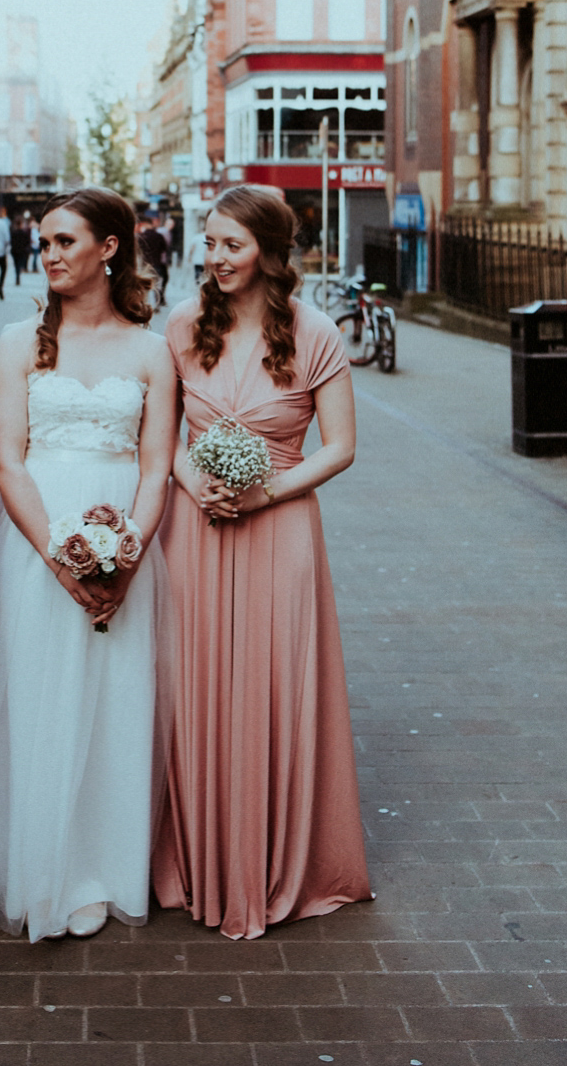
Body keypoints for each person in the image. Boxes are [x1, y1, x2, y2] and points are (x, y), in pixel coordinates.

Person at [152, 184, 370, 940]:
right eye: (209, 243)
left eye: (231, 245)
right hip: (197, 524)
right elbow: (162, 439)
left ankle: (275, 857)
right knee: (194, 683)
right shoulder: (182, 326)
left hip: (280, 529)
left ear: (271, 253)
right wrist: (196, 485)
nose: (214, 258)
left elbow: (340, 447)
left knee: (276, 682)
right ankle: (196, 858)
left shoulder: (315, 334)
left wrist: (263, 493)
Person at [0, 187, 176, 942]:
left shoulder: (151, 350)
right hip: (34, 533)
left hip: (123, 530)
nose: (48, 253)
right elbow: (6, 458)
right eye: (45, 242)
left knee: (115, 699)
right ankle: (38, 864)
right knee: (36, 694)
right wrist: (60, 555)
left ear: (109, 248)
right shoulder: (21, 340)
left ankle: (102, 866)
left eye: (64, 241)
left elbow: (157, 469)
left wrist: (127, 552)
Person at [138, 216, 169, 309]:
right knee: (156, 284)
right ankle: (157, 303)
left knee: (144, 284)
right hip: (157, 263)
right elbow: (164, 249)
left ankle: (145, 302)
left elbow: (138, 251)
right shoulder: (159, 236)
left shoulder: (141, 237)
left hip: (145, 264)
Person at [10, 213, 31, 287]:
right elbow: (27, 242)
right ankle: (18, 274)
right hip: (21, 251)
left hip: (15, 251)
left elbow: (11, 242)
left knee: (16, 264)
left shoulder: (14, 233)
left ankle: (17, 275)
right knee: (19, 263)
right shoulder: (24, 233)